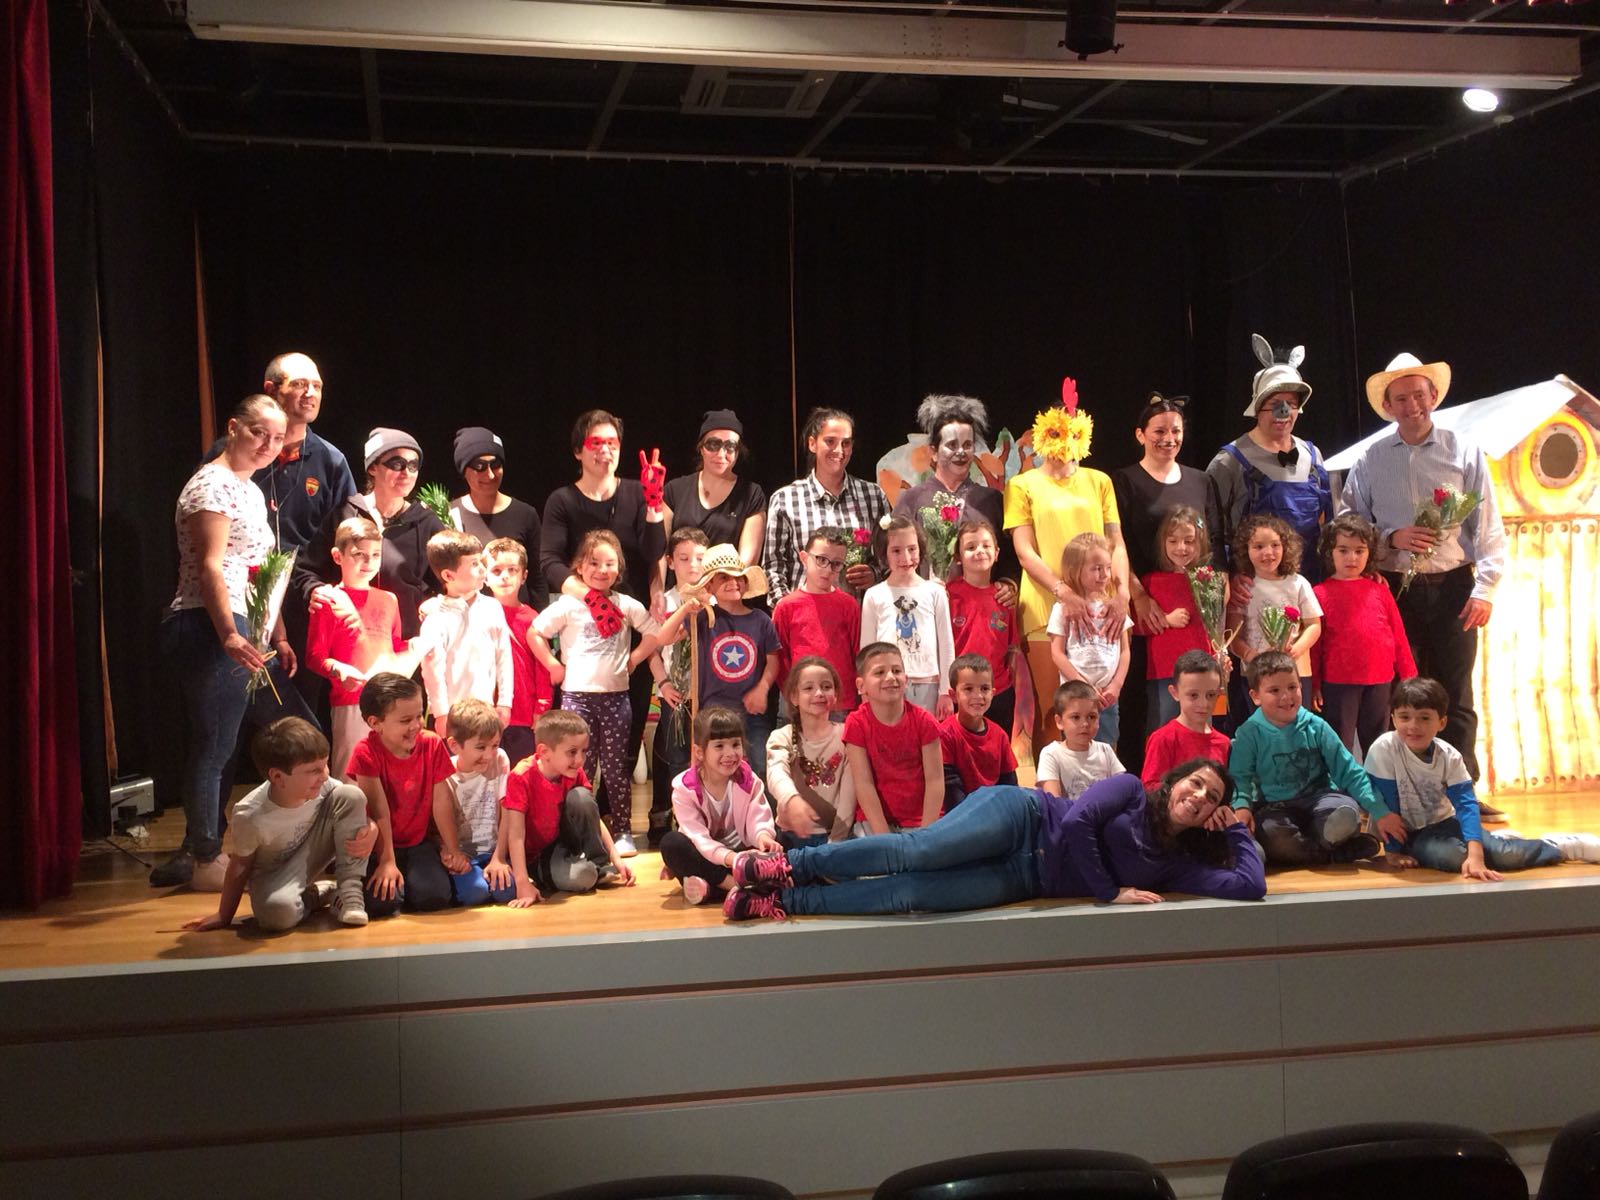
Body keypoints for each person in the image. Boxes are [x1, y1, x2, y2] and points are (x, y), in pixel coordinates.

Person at [720, 761, 1264, 920]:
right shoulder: (1127, 789)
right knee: (919, 851)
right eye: (1195, 783)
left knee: (914, 895)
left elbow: (1248, 887)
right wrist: (1109, 891)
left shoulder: (1174, 864)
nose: (1199, 795)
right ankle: (793, 864)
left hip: (1024, 877)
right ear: (1174, 782)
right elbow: (1075, 826)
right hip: (1023, 817)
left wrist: (1237, 828)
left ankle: (785, 900)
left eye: (1211, 796)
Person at [152, 394, 319, 890]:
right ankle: (204, 856)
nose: (268, 445)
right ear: (233, 428)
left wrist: (277, 632)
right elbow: (210, 567)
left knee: (296, 734)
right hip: (209, 625)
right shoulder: (213, 484)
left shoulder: (247, 488)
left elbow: (258, 573)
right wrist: (228, 633)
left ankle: (285, 842)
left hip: (247, 626)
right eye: (258, 433)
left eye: (276, 437)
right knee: (215, 745)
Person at [1341, 350, 1508, 814]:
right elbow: (1347, 520)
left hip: (1455, 583)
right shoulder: (1372, 458)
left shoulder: (1464, 449)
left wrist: (1484, 589)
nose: (1412, 403)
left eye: (1419, 394)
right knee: (1404, 689)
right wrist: (1390, 537)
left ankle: (1464, 791)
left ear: (1432, 396)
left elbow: (1489, 526)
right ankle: (1411, 790)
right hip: (1396, 588)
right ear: (1388, 406)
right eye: (1401, 397)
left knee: (1457, 690)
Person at [529, 530, 685, 854]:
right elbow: (535, 632)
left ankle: (623, 831)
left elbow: (654, 634)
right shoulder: (569, 605)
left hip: (616, 699)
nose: (602, 570)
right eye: (594, 563)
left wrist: (635, 659)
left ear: (619, 568)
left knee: (615, 768)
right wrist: (552, 665)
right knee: (579, 770)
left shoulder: (626, 604)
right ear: (579, 567)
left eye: (609, 563)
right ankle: (580, 837)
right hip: (576, 698)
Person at [539, 409, 668, 798]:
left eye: (612, 443)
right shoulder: (563, 500)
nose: (605, 451)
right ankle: (574, 817)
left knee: (626, 731)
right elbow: (549, 562)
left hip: (630, 623)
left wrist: (654, 505)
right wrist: (595, 600)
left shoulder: (634, 490)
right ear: (579, 451)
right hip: (583, 632)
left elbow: (653, 551)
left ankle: (615, 820)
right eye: (597, 443)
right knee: (578, 738)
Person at [1365, 677, 1600, 880]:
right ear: (1393, 719)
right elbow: (1388, 804)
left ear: (1442, 723)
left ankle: (1564, 847)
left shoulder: (1449, 756)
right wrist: (1393, 852)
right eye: (1405, 717)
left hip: (1444, 824)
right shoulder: (1384, 749)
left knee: (1504, 856)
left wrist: (1476, 852)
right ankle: (1495, 841)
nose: (1413, 726)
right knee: (1454, 857)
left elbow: (1466, 804)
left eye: (1425, 718)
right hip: (1409, 835)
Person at [1005, 382, 1128, 755]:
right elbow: (1025, 551)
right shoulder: (1022, 484)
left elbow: (1116, 543)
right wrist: (1064, 592)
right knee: (1053, 711)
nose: (1065, 441)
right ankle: (1053, 802)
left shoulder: (1099, 481)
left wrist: (1121, 594)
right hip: (1046, 607)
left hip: (1100, 606)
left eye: (1073, 433)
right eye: (1057, 432)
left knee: (1099, 710)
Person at [1112, 392, 1223, 768]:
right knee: (1149, 701)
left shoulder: (1200, 479)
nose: (1168, 438)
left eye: (1175, 431)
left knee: (1198, 696)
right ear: (1140, 434)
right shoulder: (1124, 481)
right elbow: (1118, 543)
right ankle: (1147, 782)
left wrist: (1215, 602)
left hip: (1192, 609)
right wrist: (1139, 596)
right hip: (1146, 604)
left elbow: (1215, 543)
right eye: (1159, 431)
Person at [182, 718, 376, 932]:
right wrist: (224, 915)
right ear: (278, 776)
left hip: (313, 851)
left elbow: (353, 808)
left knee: (351, 794)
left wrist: (372, 828)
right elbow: (240, 864)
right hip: (277, 875)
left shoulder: (325, 785)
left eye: (325, 765)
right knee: (276, 916)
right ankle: (321, 894)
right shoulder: (250, 814)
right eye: (313, 770)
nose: (325, 775)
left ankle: (350, 894)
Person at [1226, 651, 1398, 868]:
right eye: (1274, 690)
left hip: (1319, 798)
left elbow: (1348, 770)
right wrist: (1242, 806)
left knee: (1347, 814)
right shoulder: (1248, 733)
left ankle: (1315, 845)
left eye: (1292, 687)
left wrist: (1379, 811)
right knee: (1273, 837)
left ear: (1301, 686)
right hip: (1274, 807)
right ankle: (1334, 853)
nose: (1286, 697)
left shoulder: (1316, 726)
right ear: (1255, 696)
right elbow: (1240, 777)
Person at [295, 427, 445, 640]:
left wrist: (437, 601)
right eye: (397, 464)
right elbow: (305, 569)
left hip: (403, 645)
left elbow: (452, 579)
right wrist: (315, 590)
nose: (407, 473)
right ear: (373, 467)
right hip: (347, 640)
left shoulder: (426, 523)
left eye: (413, 465)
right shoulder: (345, 514)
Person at [1207, 335, 1334, 581]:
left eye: (1290, 403)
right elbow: (1212, 533)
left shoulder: (1313, 456)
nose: (1284, 412)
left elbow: (1328, 524)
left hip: (1308, 585)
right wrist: (1226, 578)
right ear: (1258, 406)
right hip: (1253, 589)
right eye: (1275, 403)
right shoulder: (1229, 462)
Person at [205, 352, 356, 554]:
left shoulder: (332, 460)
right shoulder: (232, 452)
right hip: (239, 577)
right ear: (271, 389)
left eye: (317, 386)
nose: (310, 393)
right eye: (299, 384)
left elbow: (349, 533)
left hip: (308, 581)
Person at [666, 545, 783, 778]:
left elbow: (773, 660)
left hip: (752, 712)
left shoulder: (761, 620)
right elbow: (665, 637)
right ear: (709, 586)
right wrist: (686, 608)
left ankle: (758, 814)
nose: (733, 582)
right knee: (714, 771)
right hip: (713, 711)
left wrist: (762, 689)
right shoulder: (702, 618)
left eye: (738, 577)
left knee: (760, 766)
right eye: (723, 578)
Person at [500, 710, 634, 905]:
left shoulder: (573, 771)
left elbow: (592, 814)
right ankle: (545, 873)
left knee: (582, 797)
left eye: (584, 751)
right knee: (584, 877)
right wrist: (521, 883)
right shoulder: (521, 776)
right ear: (544, 752)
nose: (579, 760)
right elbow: (516, 835)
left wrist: (615, 857)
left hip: (560, 842)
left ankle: (598, 864)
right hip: (535, 855)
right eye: (572, 752)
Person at [305, 516, 404, 782]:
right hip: (350, 703)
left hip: (389, 704)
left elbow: (395, 647)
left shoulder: (389, 599)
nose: (368, 562)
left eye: (375, 555)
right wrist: (338, 670)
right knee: (350, 773)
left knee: (389, 774)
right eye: (359, 554)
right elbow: (314, 657)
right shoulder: (328, 598)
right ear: (338, 556)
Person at [347, 672, 454, 914]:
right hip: (382, 842)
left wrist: (451, 846)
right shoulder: (366, 752)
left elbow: (441, 801)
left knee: (434, 897)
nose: (416, 726)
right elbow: (378, 810)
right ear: (376, 723)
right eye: (405, 720)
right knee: (382, 903)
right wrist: (386, 860)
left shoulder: (432, 744)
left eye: (418, 716)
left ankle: (411, 881)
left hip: (419, 842)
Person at [1311, 514, 1416, 756]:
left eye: (1360, 551)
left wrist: (1410, 677)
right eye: (1343, 550)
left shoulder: (1380, 590)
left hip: (1380, 680)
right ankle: (1341, 793)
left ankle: (1380, 791)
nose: (1352, 558)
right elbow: (1315, 646)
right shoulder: (1319, 593)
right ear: (1330, 552)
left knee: (1379, 745)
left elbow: (1398, 635)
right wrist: (1315, 683)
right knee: (1339, 745)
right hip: (1338, 682)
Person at [764, 407, 888, 603]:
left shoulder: (872, 495)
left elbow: (888, 555)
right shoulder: (785, 499)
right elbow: (773, 567)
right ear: (813, 443)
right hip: (804, 621)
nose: (839, 450)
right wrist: (788, 612)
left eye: (846, 443)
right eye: (830, 441)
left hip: (860, 619)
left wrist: (875, 573)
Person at [662, 706, 783, 906]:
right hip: (713, 859)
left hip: (743, 853)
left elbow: (758, 818)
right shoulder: (684, 789)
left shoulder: (748, 780)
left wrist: (763, 838)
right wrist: (733, 860)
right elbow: (698, 839)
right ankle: (735, 886)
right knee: (672, 844)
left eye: (736, 745)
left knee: (782, 831)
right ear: (699, 752)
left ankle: (710, 889)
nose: (730, 753)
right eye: (719, 746)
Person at [893, 393, 1010, 580]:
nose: (961, 452)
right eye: (952, 445)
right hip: (925, 604)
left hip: (977, 605)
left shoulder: (992, 500)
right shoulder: (912, 499)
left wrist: (1008, 583)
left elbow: (1010, 556)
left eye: (967, 444)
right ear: (933, 451)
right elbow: (892, 555)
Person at [413, 530, 514, 735]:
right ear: (448, 575)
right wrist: (441, 713)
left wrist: (504, 701)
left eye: (480, 562)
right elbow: (433, 671)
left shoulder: (492, 607)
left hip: (486, 711)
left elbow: (503, 656)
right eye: (474, 564)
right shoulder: (436, 616)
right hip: (453, 715)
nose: (482, 570)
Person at [647, 526, 709, 847]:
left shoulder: (712, 598)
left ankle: (697, 818)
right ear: (671, 562)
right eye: (684, 558)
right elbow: (653, 651)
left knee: (698, 757)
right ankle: (661, 815)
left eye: (699, 557)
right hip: (675, 694)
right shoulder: (664, 602)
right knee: (670, 755)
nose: (693, 565)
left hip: (704, 693)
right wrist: (665, 682)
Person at [860, 515, 955, 718]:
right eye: (896, 551)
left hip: (928, 682)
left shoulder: (934, 591)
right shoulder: (875, 594)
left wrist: (945, 691)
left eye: (912, 549)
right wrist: (867, 691)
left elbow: (946, 643)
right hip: (886, 683)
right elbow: (867, 648)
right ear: (884, 555)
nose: (906, 557)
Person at [844, 643, 944, 833]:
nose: (890, 677)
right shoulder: (856, 723)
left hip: (921, 822)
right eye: (879, 672)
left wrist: (927, 835)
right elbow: (864, 784)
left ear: (906, 679)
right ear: (861, 686)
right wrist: (884, 837)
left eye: (896, 671)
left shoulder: (925, 721)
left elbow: (935, 781)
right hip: (874, 821)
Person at [1139, 506, 1221, 731]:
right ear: (1163, 543)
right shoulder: (1151, 581)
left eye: (1189, 541)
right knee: (1164, 728)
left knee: (1201, 727)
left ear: (1200, 542)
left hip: (1202, 673)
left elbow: (1213, 626)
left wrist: (1218, 658)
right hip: (1165, 673)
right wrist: (1166, 620)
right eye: (1173, 541)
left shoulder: (1207, 581)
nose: (1181, 548)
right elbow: (1135, 626)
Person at [1227, 514, 1321, 709]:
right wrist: (1251, 655)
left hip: (1296, 671)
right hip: (1257, 674)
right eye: (1259, 547)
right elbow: (1233, 636)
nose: (1268, 553)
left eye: (1275, 545)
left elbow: (1314, 625)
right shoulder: (1243, 587)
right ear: (1246, 550)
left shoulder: (1298, 583)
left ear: (1286, 547)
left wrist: (1297, 649)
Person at [1048, 532, 1131, 746]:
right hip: (1075, 696)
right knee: (1077, 749)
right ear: (1076, 571)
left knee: (1107, 748)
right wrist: (1082, 684)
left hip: (1107, 698)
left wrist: (1116, 686)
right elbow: (1057, 653)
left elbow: (1124, 651)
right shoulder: (1062, 610)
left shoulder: (1116, 609)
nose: (1104, 574)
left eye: (1107, 567)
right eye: (1096, 568)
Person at [449, 426, 545, 608]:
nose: (490, 474)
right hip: (468, 620)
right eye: (479, 467)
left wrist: (540, 626)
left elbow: (537, 578)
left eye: (495, 465)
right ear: (464, 470)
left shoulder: (525, 514)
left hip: (517, 622)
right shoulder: (450, 514)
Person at [770, 526, 862, 714]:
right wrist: (793, 694)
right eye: (821, 560)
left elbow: (858, 654)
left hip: (840, 703)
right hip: (799, 703)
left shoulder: (849, 605)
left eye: (836, 564)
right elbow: (780, 657)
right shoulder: (786, 606)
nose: (827, 570)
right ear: (804, 558)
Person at [433, 699, 515, 907]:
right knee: (475, 894)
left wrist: (499, 857)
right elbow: (437, 822)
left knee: (506, 891)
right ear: (454, 745)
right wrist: (449, 852)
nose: (488, 755)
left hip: (494, 852)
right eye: (480, 747)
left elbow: (506, 811)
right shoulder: (445, 775)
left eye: (494, 745)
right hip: (464, 856)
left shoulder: (500, 760)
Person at [766, 657, 856, 847]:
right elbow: (776, 773)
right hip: (790, 837)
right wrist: (791, 800)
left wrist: (835, 844)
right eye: (808, 688)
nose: (819, 693)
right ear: (793, 697)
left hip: (836, 837)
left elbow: (850, 795)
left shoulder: (847, 734)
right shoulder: (782, 736)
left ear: (836, 694)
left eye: (826, 687)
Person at [944, 519, 1021, 737]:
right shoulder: (947, 596)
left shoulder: (1004, 598)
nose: (979, 551)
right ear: (958, 558)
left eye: (986, 546)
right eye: (970, 547)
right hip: (960, 693)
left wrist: (1008, 687)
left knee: (995, 750)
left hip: (998, 693)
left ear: (996, 553)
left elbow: (1011, 650)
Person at [661, 410, 767, 567]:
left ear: (738, 452)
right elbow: (660, 552)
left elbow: (746, 562)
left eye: (730, 446)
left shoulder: (751, 494)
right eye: (713, 445)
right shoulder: (675, 490)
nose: (721, 453)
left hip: (725, 588)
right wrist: (658, 591)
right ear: (701, 448)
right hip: (679, 589)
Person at [484, 536, 553, 769]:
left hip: (522, 715)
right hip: (484, 712)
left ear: (523, 576)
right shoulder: (476, 614)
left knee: (518, 775)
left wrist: (541, 708)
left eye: (512, 570)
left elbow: (543, 667)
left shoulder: (533, 619)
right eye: (496, 570)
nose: (504, 576)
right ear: (484, 575)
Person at [1142, 651, 1231, 790]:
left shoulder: (1223, 743)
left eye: (1211, 695)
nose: (1203, 703)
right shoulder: (1163, 739)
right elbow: (1150, 787)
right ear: (1175, 693)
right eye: (1193, 695)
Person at [939, 654, 1018, 810]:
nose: (978, 696)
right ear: (954, 695)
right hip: (957, 818)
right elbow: (951, 791)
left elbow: (1009, 785)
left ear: (993, 693)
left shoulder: (1000, 735)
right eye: (968, 689)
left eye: (984, 688)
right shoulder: (944, 734)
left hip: (993, 814)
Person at [1037, 681, 1125, 801]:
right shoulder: (1051, 754)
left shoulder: (1106, 750)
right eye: (1076, 717)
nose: (1085, 724)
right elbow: (1054, 803)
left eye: (1091, 717)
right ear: (1059, 721)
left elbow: (1122, 790)